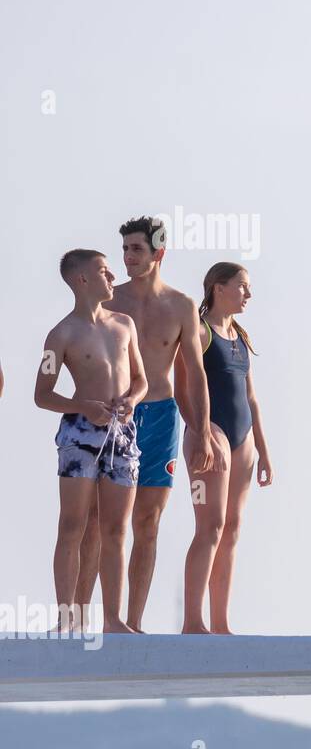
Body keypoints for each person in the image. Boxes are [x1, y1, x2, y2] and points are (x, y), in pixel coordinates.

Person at [77, 216, 218, 633]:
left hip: (160, 416)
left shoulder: (181, 306)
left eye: (136, 249)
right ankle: (82, 619)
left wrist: (205, 431)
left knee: (148, 523)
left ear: (159, 253)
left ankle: (132, 624)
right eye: (124, 249)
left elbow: (194, 371)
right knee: (96, 522)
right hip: (113, 418)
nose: (127, 258)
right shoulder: (109, 300)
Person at [34, 250, 147, 634]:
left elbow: (141, 380)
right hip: (80, 435)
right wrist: (81, 406)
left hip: (121, 434)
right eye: (104, 271)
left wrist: (131, 400)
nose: (113, 276)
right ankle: (66, 619)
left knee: (116, 529)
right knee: (72, 525)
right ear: (82, 279)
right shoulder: (60, 334)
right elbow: (42, 394)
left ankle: (113, 619)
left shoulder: (125, 325)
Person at [182, 263, 273, 634]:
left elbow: (251, 397)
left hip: (244, 440)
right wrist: (202, 433)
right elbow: (181, 389)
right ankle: (192, 621)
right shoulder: (198, 330)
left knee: (232, 528)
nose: (248, 294)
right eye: (242, 287)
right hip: (210, 436)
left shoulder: (239, 334)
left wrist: (264, 451)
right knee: (210, 526)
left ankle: (220, 623)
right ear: (218, 288)